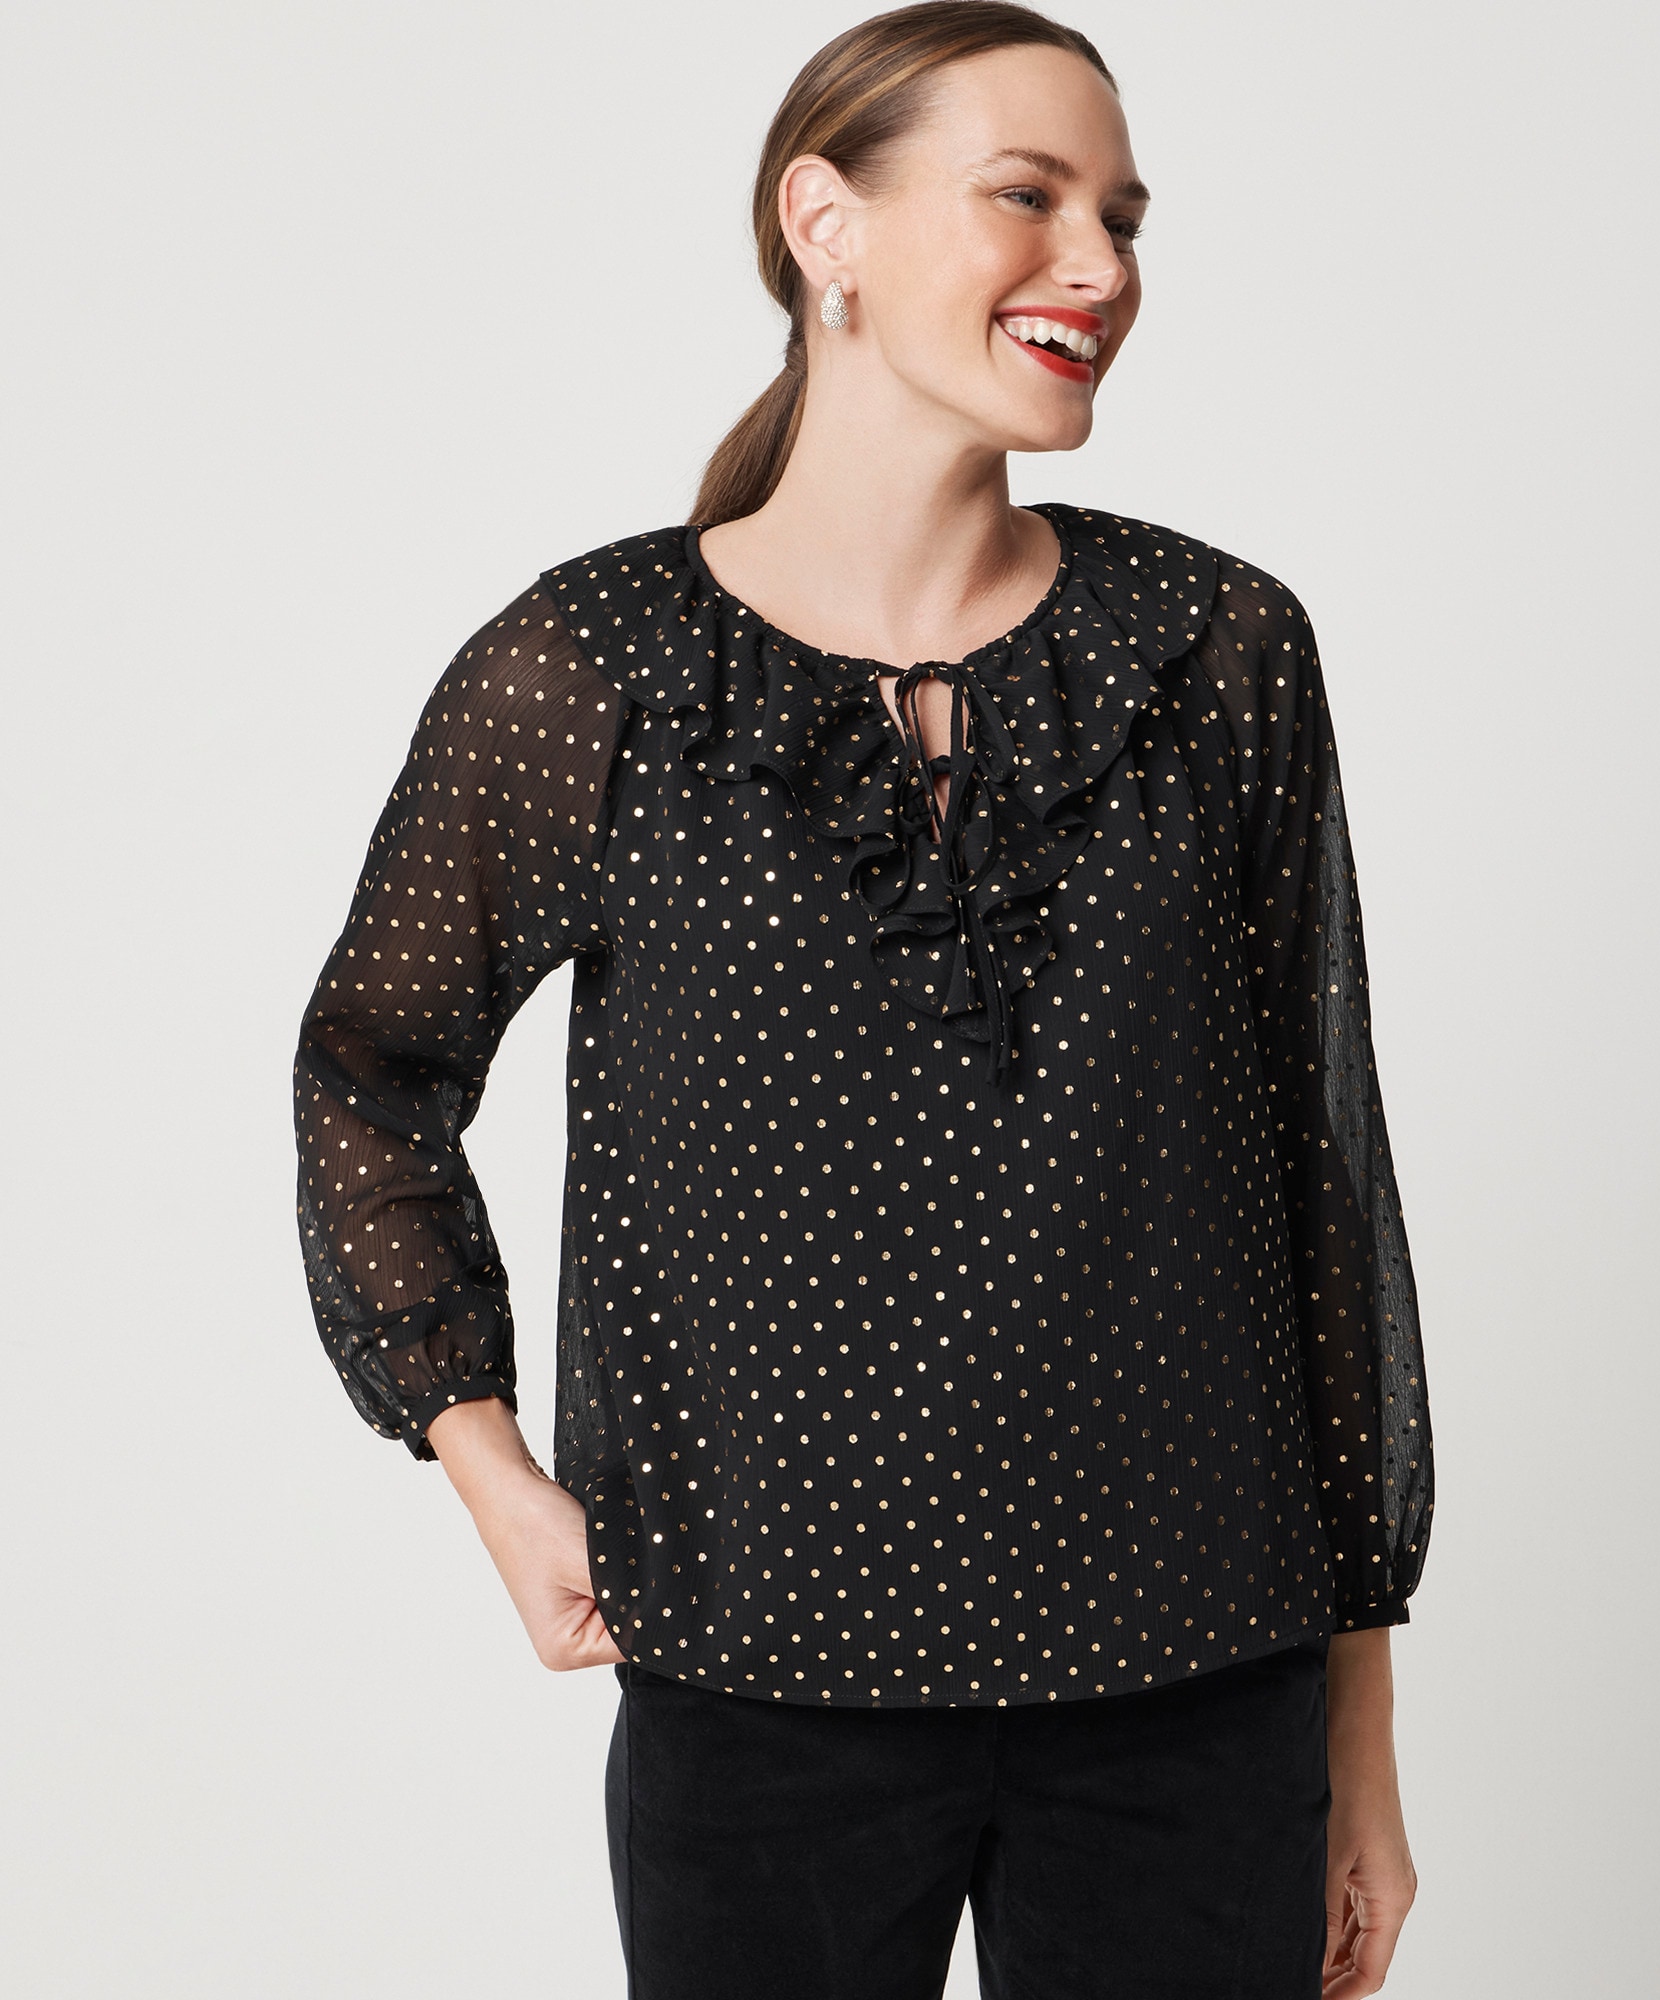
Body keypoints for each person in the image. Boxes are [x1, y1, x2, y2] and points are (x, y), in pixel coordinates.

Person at [290, 5, 1435, 1994]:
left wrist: (1362, 1736)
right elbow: (367, 1077)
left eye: (1123, 217)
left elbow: (1316, 1205)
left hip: (1199, 1687)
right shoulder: (602, 670)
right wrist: (489, 1467)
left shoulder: (1213, 648)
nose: (1099, 265)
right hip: (760, 1693)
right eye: (1028, 197)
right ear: (824, 223)